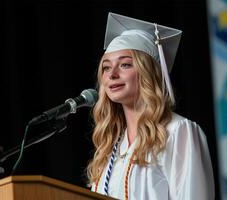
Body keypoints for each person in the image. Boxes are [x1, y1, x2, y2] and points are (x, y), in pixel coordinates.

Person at [86, 12, 215, 200]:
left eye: (125, 65)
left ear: (147, 73)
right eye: (106, 67)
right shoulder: (111, 147)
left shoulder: (177, 131)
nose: (112, 74)